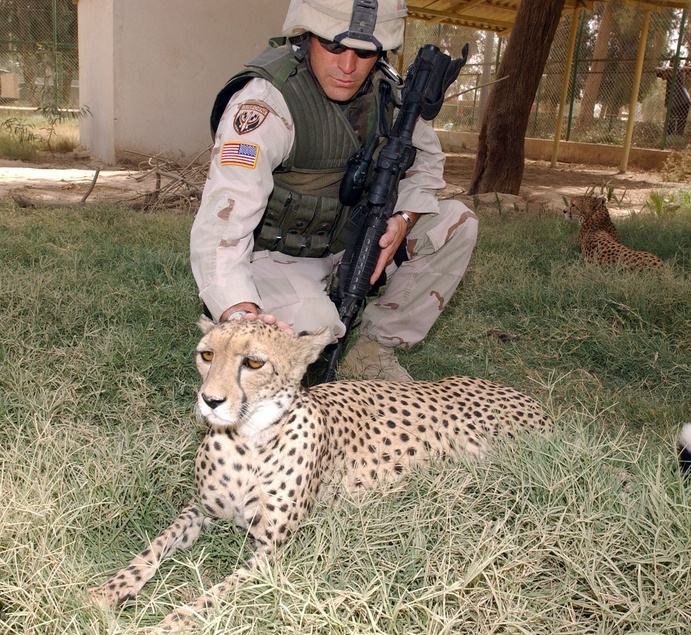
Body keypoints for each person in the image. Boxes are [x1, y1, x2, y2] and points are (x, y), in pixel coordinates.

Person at [189, 0, 478, 382]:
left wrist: (403, 220)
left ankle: (373, 351)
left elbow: (427, 164)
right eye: (334, 46)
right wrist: (242, 318)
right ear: (306, 37)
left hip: (352, 243)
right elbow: (220, 229)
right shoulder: (267, 104)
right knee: (315, 330)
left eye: (364, 53)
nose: (348, 67)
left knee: (456, 223)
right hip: (280, 257)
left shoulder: (387, 93)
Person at [656, 63, 691, 136]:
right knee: (671, 121)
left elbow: (671, 71)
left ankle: (677, 138)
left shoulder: (680, 71)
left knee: (680, 122)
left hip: (683, 100)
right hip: (673, 100)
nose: (670, 64)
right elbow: (660, 73)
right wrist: (664, 70)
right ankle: (668, 138)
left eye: (672, 63)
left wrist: (667, 69)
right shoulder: (669, 72)